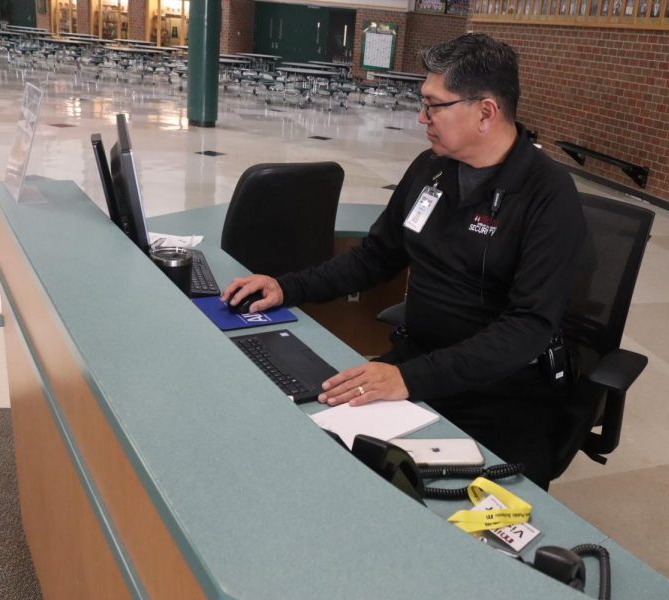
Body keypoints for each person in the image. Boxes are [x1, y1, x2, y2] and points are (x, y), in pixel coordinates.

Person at [222, 33, 585, 489]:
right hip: (417, 363)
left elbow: (527, 328)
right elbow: (377, 256)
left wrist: (407, 379)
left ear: (485, 112)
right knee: (322, 452)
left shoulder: (548, 196)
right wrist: (287, 287)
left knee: (438, 513)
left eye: (434, 105)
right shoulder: (432, 168)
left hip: (500, 395)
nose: (421, 117)